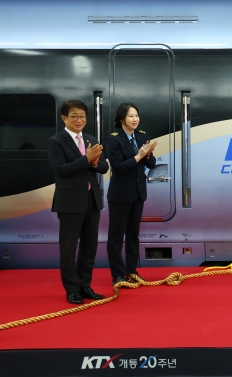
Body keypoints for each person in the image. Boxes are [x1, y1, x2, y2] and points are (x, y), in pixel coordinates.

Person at [47, 100, 109, 304]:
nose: (79, 120)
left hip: (92, 200)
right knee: (68, 248)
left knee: (89, 247)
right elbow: (61, 170)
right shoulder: (56, 141)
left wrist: (94, 162)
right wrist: (85, 160)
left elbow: (103, 168)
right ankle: (71, 289)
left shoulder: (91, 139)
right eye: (74, 116)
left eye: (82, 116)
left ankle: (84, 285)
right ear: (64, 118)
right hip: (70, 202)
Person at [106, 102, 157, 286]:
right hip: (120, 195)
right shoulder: (114, 139)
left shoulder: (142, 136)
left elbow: (151, 165)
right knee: (116, 236)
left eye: (136, 115)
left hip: (138, 194)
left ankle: (132, 271)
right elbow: (118, 168)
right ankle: (118, 275)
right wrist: (138, 156)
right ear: (122, 119)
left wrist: (148, 155)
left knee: (133, 235)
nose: (135, 119)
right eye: (131, 116)